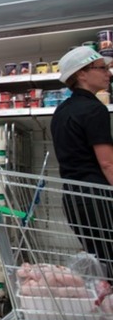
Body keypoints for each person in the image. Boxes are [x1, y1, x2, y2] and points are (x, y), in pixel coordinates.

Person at [50, 46, 113, 279]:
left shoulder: (61, 111)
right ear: (81, 74)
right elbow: (107, 163)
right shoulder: (95, 110)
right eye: (101, 68)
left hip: (74, 199)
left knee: (103, 262)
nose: (108, 73)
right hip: (98, 198)